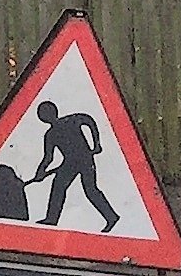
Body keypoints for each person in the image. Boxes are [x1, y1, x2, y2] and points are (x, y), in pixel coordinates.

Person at [26, 99, 119, 231]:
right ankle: (51, 219)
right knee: (58, 186)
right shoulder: (50, 135)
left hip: (85, 159)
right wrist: (40, 172)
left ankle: (111, 217)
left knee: (90, 190)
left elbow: (89, 120)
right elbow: (48, 157)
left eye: (46, 113)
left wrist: (97, 143)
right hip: (69, 163)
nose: (45, 117)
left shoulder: (71, 120)